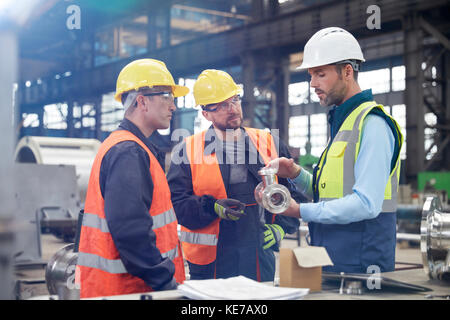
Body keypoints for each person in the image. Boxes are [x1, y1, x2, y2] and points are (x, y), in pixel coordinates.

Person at [268, 27, 403, 274]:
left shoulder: (372, 124)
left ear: (347, 72)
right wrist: (297, 173)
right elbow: (333, 192)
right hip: (333, 260)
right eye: (311, 75)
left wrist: (301, 210)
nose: (312, 84)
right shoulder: (343, 123)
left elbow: (366, 204)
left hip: (361, 268)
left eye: (320, 74)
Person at [167, 69, 300, 282]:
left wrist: (281, 228)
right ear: (206, 113)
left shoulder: (270, 144)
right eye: (221, 105)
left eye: (234, 100)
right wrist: (211, 207)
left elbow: (293, 193)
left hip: (257, 259)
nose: (232, 109)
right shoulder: (187, 151)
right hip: (211, 264)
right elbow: (176, 204)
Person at [77, 59, 188, 298]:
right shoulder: (128, 151)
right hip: (131, 289)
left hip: (130, 288)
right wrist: (164, 281)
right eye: (167, 96)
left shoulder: (131, 146)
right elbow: (130, 231)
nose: (173, 106)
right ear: (142, 101)